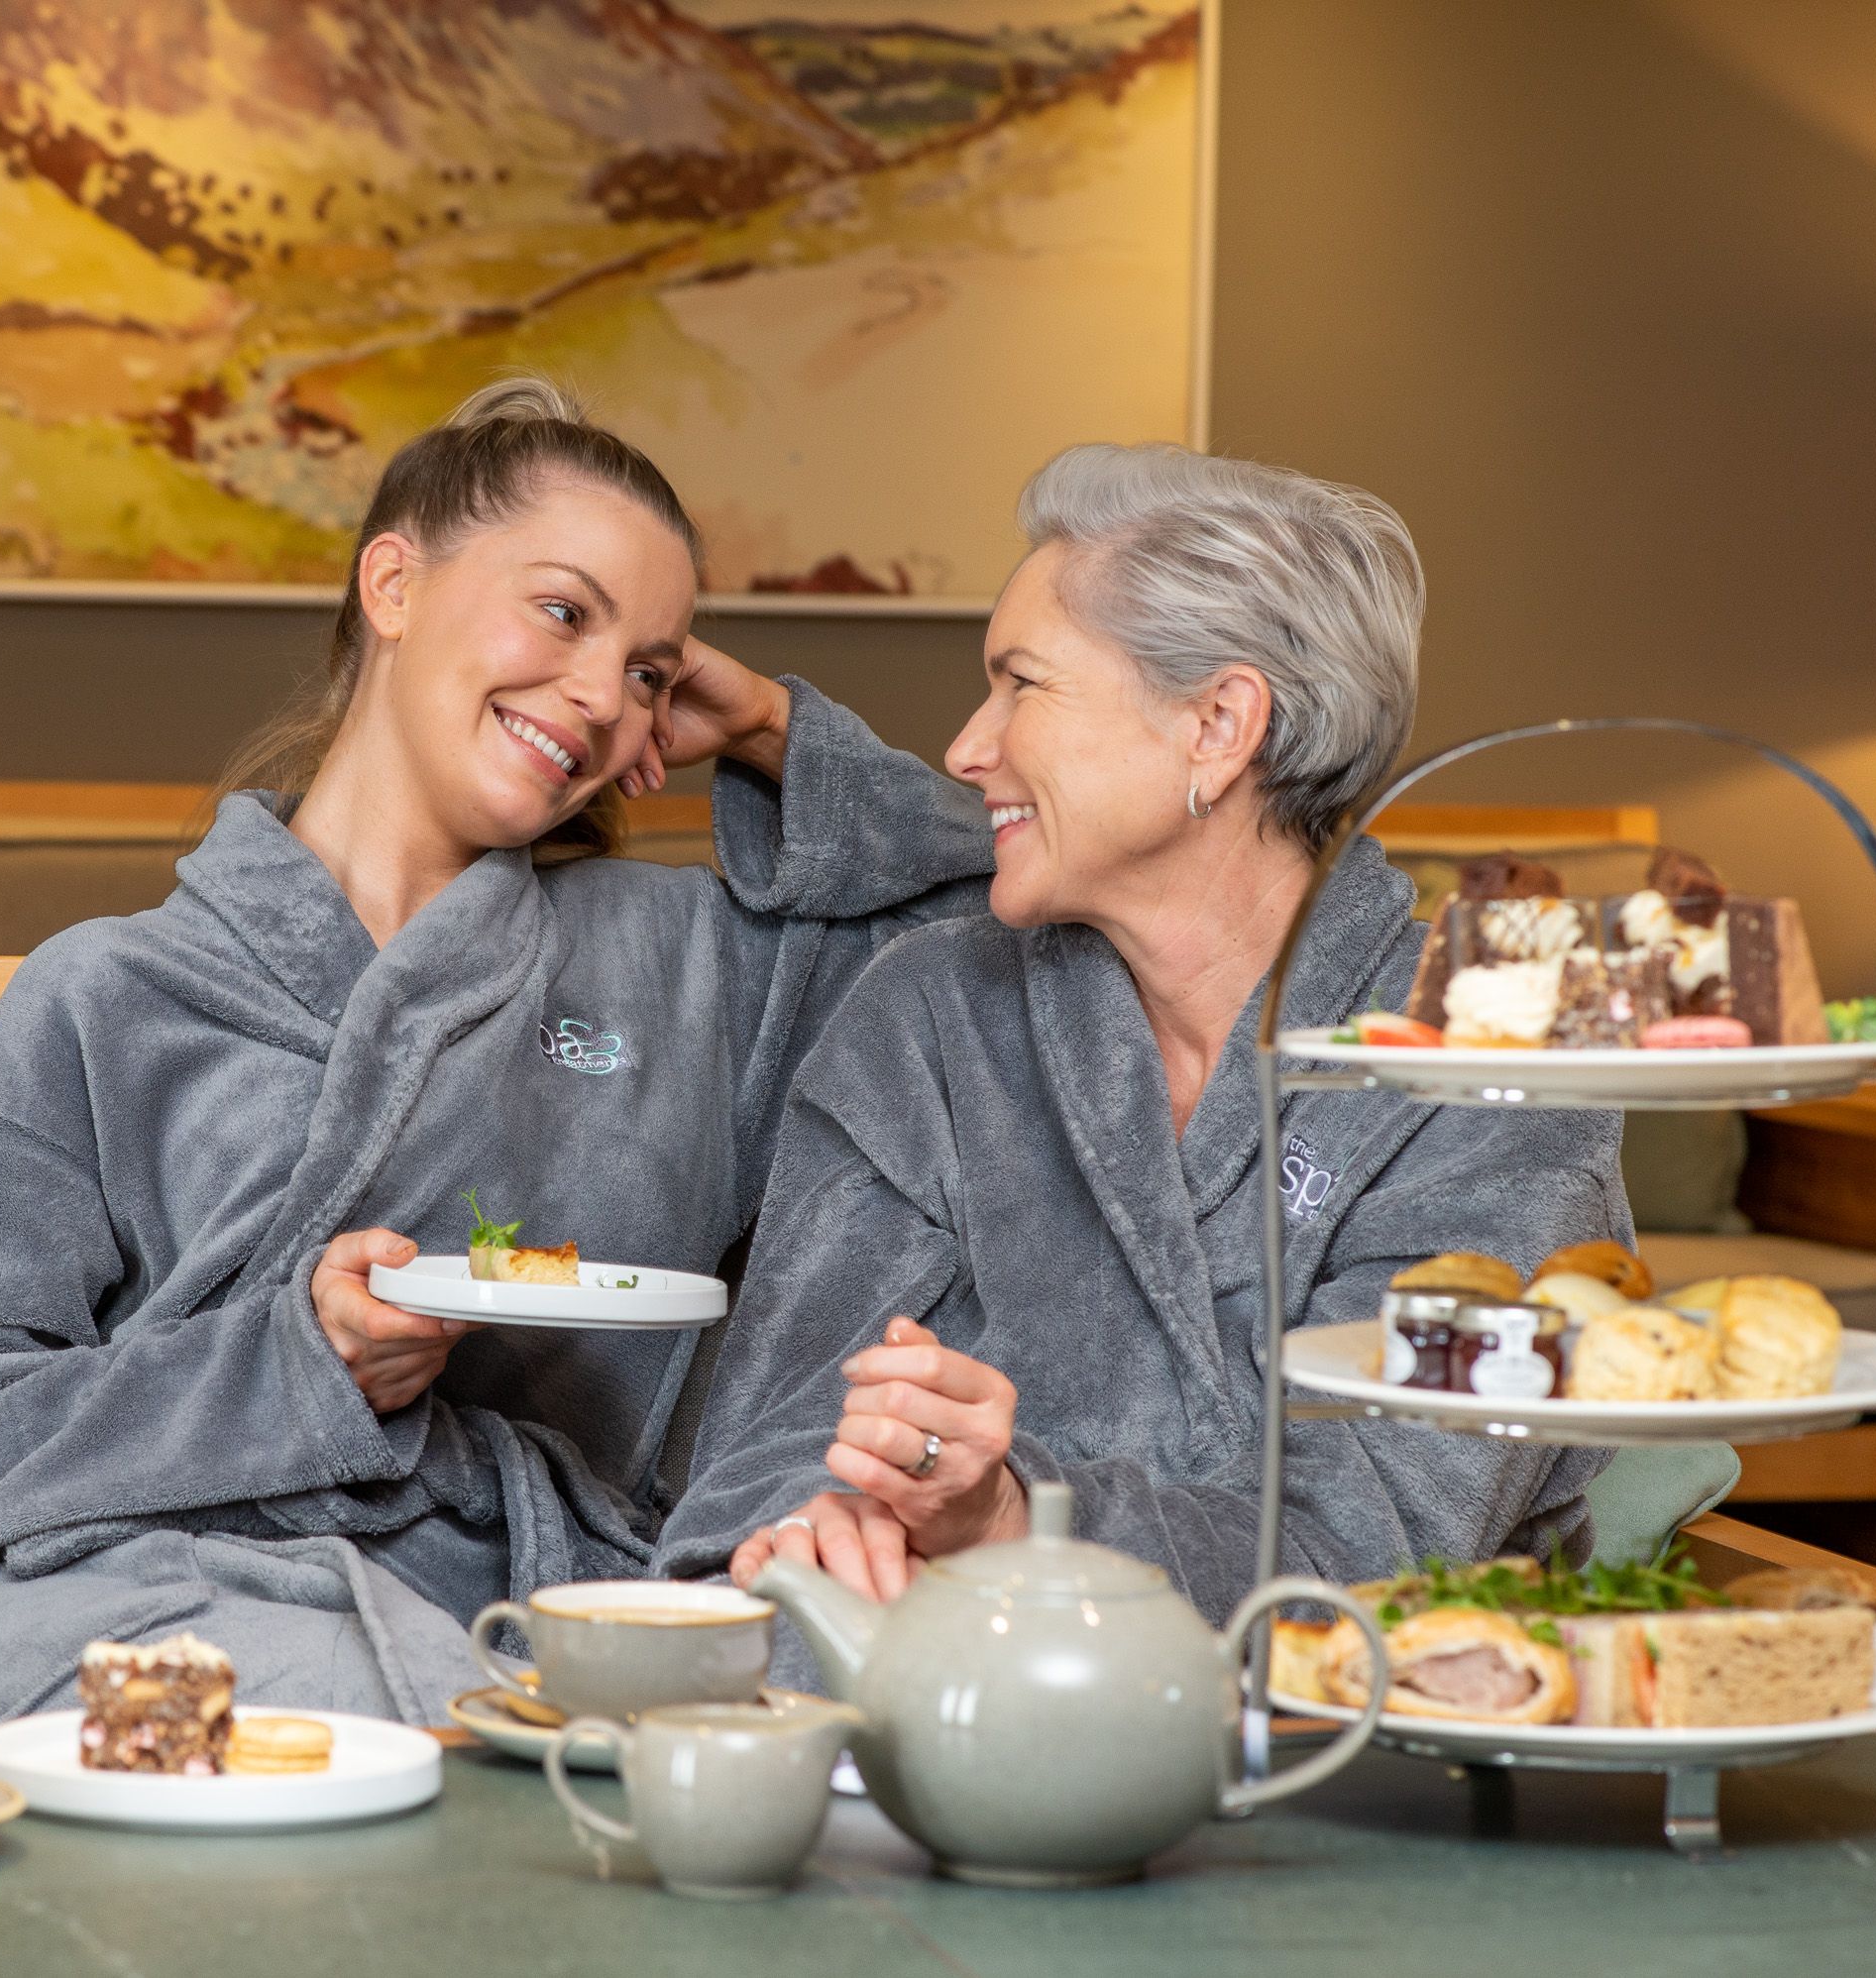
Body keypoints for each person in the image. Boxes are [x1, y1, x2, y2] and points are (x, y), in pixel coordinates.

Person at [0, 379, 993, 1726]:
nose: (604, 694)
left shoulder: (686, 968)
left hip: (502, 1622)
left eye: (652, 671)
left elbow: (1002, 920)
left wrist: (776, 731)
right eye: (565, 613)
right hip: (148, 1615)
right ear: (392, 583)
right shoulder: (108, 995)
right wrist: (292, 1369)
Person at [657, 443, 1622, 1624]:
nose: (968, 747)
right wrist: (822, 1521)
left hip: (1374, 1736)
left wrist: (1018, 1522)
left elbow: (1381, 1549)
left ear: (1217, 724)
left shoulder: (1485, 1067)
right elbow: (763, 1448)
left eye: (1023, 684)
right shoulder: (929, 1020)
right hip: (939, 1685)